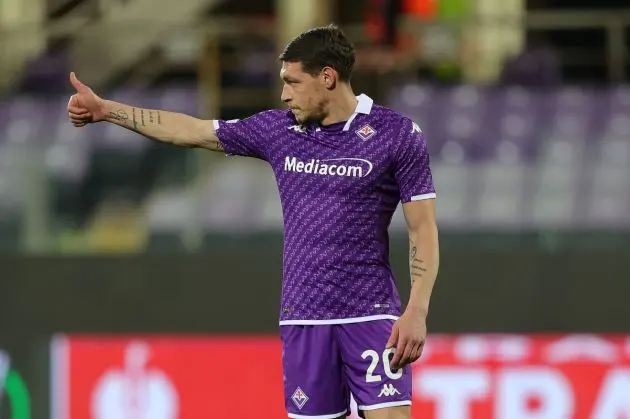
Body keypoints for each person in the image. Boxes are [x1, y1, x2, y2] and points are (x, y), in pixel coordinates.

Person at [67, 23, 439, 419]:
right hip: (303, 316)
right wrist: (107, 110)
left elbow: (423, 228)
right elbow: (189, 130)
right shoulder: (279, 131)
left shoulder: (396, 135)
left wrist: (417, 310)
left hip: (371, 313)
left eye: (293, 82)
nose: (284, 94)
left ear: (327, 77)